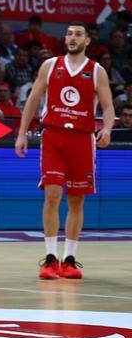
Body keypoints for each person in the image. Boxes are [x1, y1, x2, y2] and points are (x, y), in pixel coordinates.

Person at [15, 24, 115, 280]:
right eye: (69, 34)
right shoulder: (50, 66)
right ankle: (50, 258)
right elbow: (34, 101)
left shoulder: (96, 71)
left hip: (82, 139)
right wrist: (21, 133)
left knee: (76, 200)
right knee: (52, 194)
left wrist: (106, 129)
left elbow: (108, 106)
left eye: (78, 34)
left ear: (88, 40)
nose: (72, 38)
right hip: (54, 137)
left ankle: (69, 260)